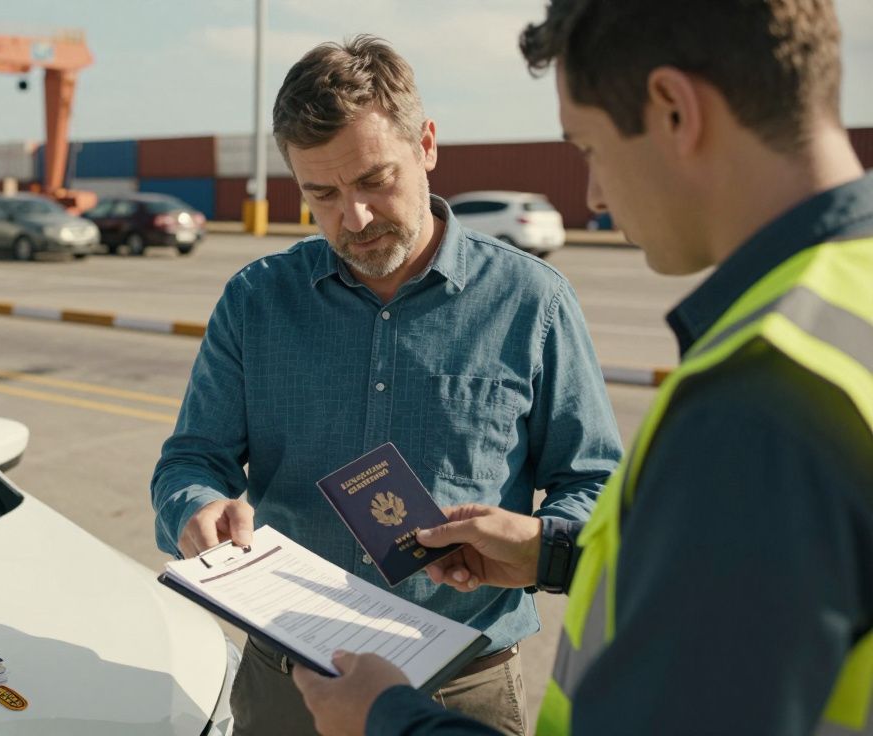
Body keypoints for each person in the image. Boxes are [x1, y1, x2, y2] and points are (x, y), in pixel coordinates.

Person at [292, 2, 873, 735]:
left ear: (672, 109)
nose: (595, 197)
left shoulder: (766, 400)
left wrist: (385, 718)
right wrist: (552, 553)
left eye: (590, 147)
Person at [150, 35, 623, 735]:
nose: (355, 218)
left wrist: (535, 542)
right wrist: (194, 509)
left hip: (462, 692)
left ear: (427, 144)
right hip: (289, 686)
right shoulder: (256, 301)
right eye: (323, 194)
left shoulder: (533, 303)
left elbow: (596, 485)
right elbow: (191, 460)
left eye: (374, 180)